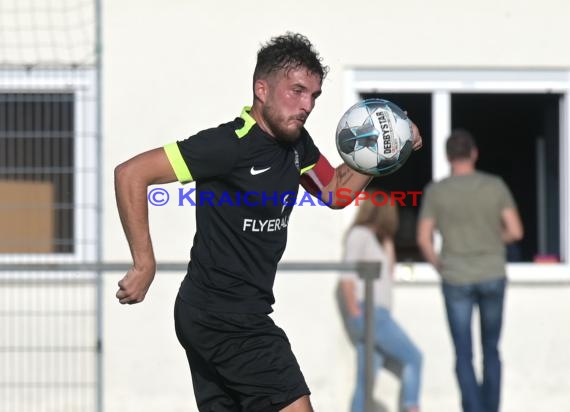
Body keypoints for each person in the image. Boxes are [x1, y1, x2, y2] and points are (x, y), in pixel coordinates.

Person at [114, 32, 422, 412]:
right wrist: (144, 263)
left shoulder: (297, 145)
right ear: (262, 88)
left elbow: (336, 193)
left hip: (224, 313)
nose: (307, 104)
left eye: (314, 96)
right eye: (296, 91)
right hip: (224, 314)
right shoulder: (228, 145)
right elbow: (131, 174)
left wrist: (387, 152)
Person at [416, 129, 523, 412]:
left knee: (463, 353)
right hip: (492, 273)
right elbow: (515, 231)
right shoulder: (494, 186)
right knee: (491, 350)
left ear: (448, 157)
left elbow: (423, 239)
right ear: (474, 153)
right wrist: (490, 238)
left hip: (455, 277)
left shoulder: (436, 191)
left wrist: (440, 265)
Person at [338, 194, 422, 412]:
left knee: (366, 380)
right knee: (414, 357)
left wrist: (387, 241)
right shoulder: (359, 235)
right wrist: (355, 313)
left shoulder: (377, 240)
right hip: (370, 313)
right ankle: (411, 407)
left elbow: (389, 273)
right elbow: (346, 278)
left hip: (377, 313)